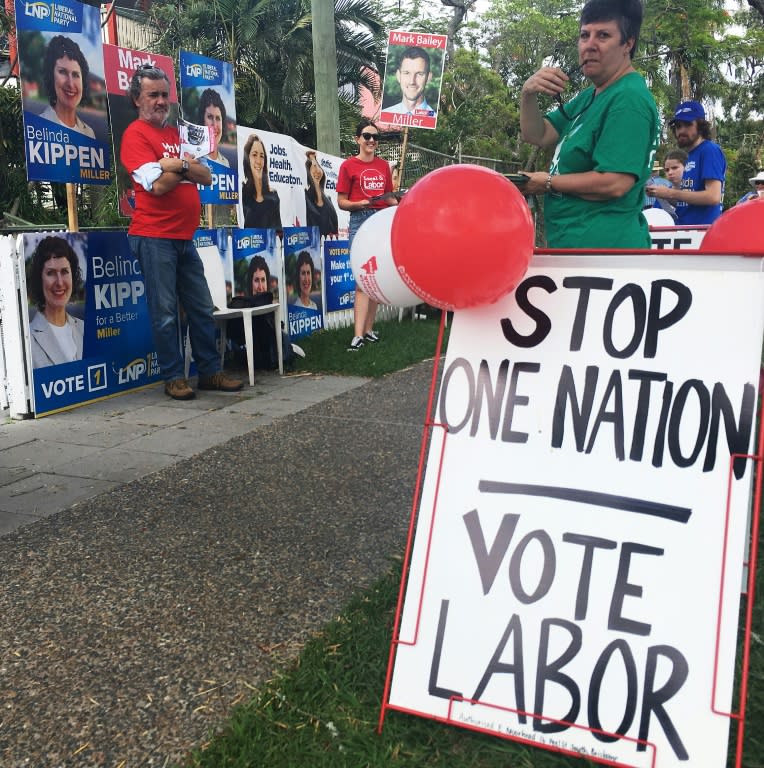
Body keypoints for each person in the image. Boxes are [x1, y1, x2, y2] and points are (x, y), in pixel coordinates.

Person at [120, 64, 242, 400]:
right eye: (153, 95)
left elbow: (207, 175)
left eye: (164, 94)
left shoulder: (177, 135)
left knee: (202, 308)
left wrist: (176, 164)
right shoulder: (135, 136)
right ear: (136, 99)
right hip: (153, 237)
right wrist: (182, 168)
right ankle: (173, 377)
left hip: (184, 237)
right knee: (165, 314)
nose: (161, 101)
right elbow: (156, 187)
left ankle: (210, 373)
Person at [518, 0, 659, 248]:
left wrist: (547, 182)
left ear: (628, 43)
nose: (590, 45)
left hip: (605, 253)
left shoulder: (628, 99)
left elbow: (615, 182)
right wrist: (528, 93)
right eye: (585, 35)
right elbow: (538, 134)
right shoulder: (591, 95)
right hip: (576, 249)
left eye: (603, 35)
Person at [336, 120, 397, 351]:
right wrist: (357, 204)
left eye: (375, 137)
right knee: (362, 280)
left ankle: (369, 330)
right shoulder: (348, 166)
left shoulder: (383, 166)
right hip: (360, 220)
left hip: (380, 222)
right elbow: (341, 202)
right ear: (358, 139)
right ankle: (358, 335)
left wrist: (401, 204)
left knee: (374, 280)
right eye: (367, 136)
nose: (371, 140)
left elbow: (389, 197)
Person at [647, 100, 726, 225]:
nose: (681, 130)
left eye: (687, 124)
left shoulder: (709, 150)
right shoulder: (689, 155)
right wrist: (662, 194)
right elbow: (686, 202)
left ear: (700, 126)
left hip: (701, 233)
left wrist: (670, 193)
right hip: (684, 232)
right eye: (678, 126)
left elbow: (713, 197)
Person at [27, 236, 84, 369]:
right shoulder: (27, 337)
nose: (59, 282)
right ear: (39, 279)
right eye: (51, 273)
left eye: (64, 271)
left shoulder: (84, 328)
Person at [39, 35, 96, 139]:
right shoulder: (39, 126)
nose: (70, 83)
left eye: (75, 75)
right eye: (62, 72)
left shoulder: (89, 133)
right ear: (51, 76)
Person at [242, 133, 282, 230]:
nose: (258, 161)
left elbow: (279, 231)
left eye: (262, 156)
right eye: (254, 155)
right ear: (248, 159)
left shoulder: (273, 195)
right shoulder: (243, 192)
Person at [384, 46, 435, 116]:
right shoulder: (386, 114)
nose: (412, 82)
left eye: (419, 74)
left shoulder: (434, 118)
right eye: (406, 73)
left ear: (428, 77)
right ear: (398, 76)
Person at [304, 151, 338, 236]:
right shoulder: (308, 195)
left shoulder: (327, 197)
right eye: (312, 169)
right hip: (316, 242)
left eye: (318, 168)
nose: (316, 172)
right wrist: (312, 158)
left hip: (330, 243)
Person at [651, 148, 688, 220]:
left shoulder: (698, 191)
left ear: (686, 167)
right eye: (667, 170)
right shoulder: (661, 195)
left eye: (674, 168)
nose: (670, 172)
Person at [198, 88, 229, 167]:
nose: (215, 125)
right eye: (210, 117)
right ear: (202, 121)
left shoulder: (225, 163)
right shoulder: (194, 160)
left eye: (218, 118)